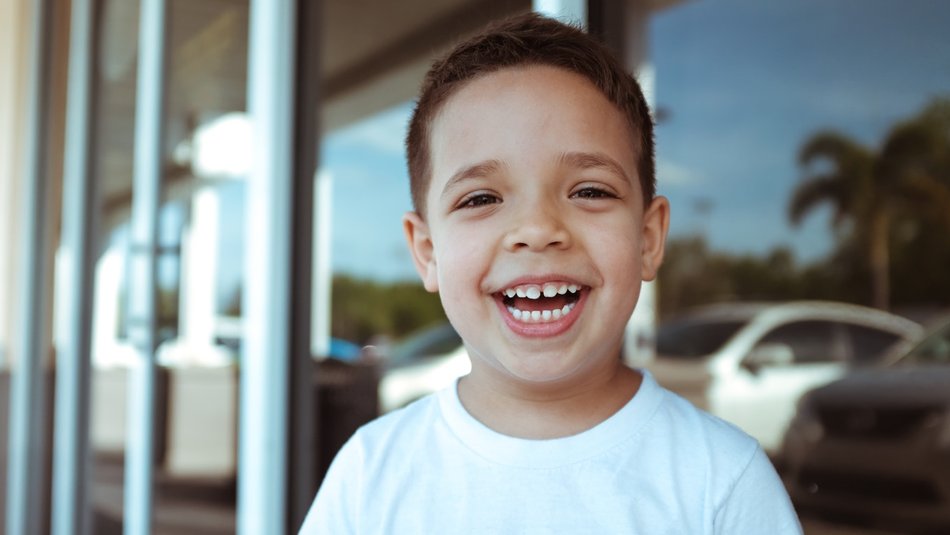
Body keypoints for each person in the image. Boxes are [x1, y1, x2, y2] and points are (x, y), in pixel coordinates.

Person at [300, 12, 802, 534]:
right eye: (481, 198)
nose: (538, 229)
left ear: (648, 238)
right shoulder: (370, 473)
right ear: (427, 251)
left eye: (589, 190)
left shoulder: (720, 479)